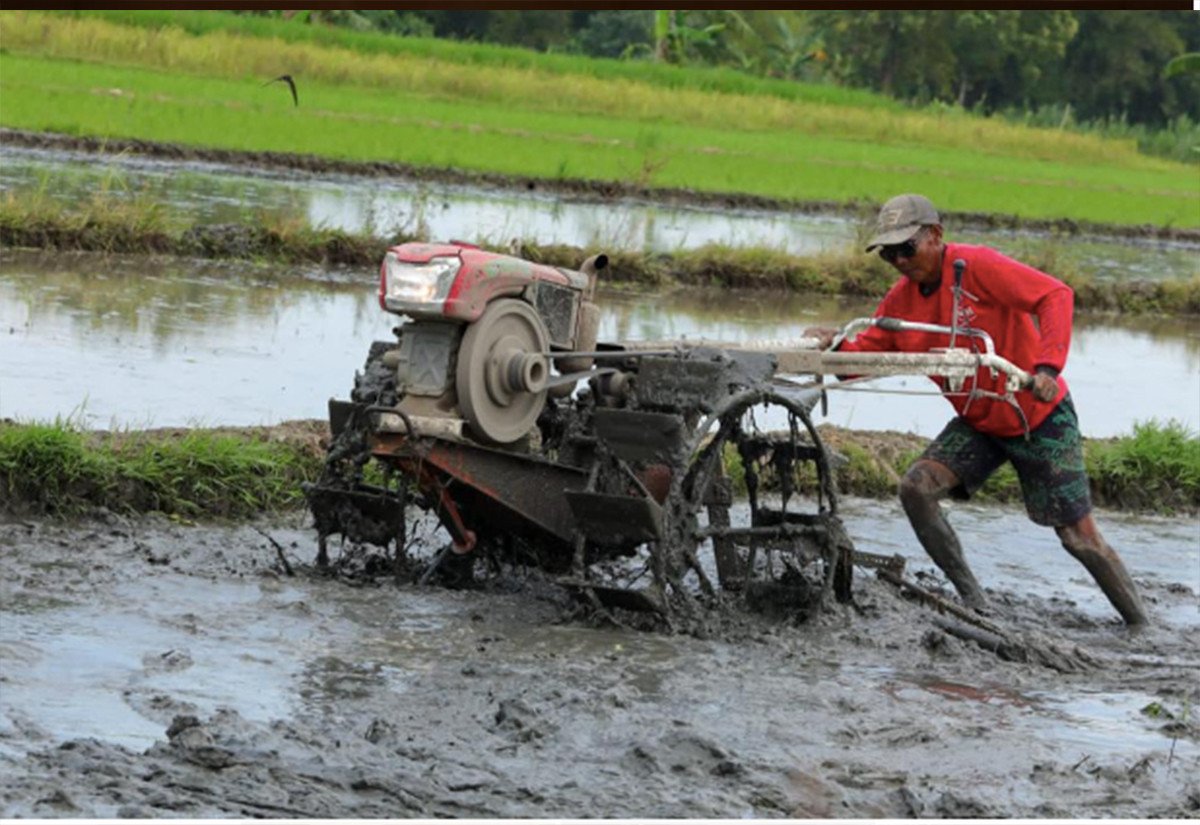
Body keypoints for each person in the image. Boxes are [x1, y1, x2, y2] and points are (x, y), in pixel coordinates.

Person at [805, 193, 1147, 626]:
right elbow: (862, 361)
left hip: (1036, 415)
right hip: (980, 421)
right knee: (916, 488)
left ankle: (1140, 625)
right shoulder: (900, 303)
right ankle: (975, 602)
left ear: (936, 236)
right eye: (889, 254)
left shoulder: (977, 267)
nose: (900, 261)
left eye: (907, 248)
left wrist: (1046, 367)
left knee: (1079, 538)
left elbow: (1055, 295)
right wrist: (832, 347)